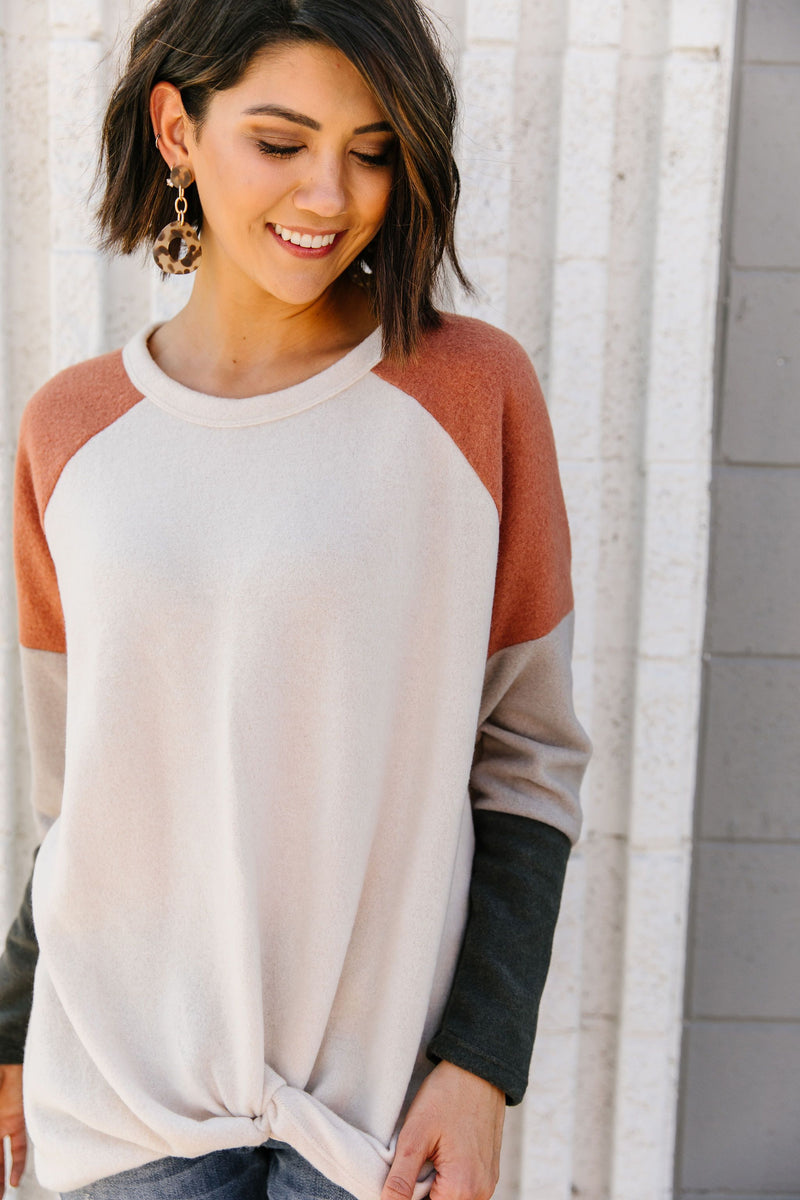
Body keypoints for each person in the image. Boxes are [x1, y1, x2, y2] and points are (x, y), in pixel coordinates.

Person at [0, 1, 592, 1198]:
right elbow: (82, 799)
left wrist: (480, 1066)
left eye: (371, 149)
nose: (331, 194)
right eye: (280, 142)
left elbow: (527, 758)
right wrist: (9, 1033)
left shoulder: (468, 394)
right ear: (177, 129)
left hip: (367, 1133)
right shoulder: (69, 431)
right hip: (114, 1121)